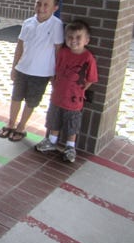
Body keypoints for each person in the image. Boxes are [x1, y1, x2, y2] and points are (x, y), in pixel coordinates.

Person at [0, 0, 64, 142]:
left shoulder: (56, 25)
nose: (41, 8)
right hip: (22, 69)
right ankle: (11, 123)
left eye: (46, 5)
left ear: (55, 8)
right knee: (16, 97)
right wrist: (14, 67)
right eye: (38, 3)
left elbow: (58, 52)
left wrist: (55, 74)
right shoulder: (28, 23)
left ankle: (21, 126)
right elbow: (19, 46)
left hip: (41, 73)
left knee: (32, 100)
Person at [35, 20, 98, 162]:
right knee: (54, 120)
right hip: (57, 97)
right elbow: (55, 69)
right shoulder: (63, 52)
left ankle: (70, 147)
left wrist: (79, 90)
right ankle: (51, 141)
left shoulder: (88, 58)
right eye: (69, 37)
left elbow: (91, 78)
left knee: (72, 124)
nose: (73, 41)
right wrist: (54, 83)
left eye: (78, 37)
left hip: (74, 101)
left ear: (86, 40)